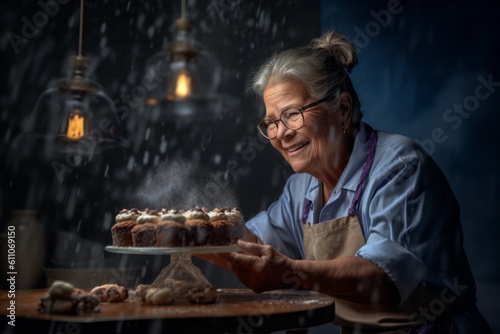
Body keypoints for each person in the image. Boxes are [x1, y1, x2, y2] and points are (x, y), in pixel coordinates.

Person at [203, 30, 493, 333]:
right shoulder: (302, 187)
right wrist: (188, 233)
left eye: (292, 114)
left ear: (342, 110)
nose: (280, 133)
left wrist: (290, 272)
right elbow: (256, 248)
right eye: (271, 122)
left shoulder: (399, 166)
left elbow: (383, 277)